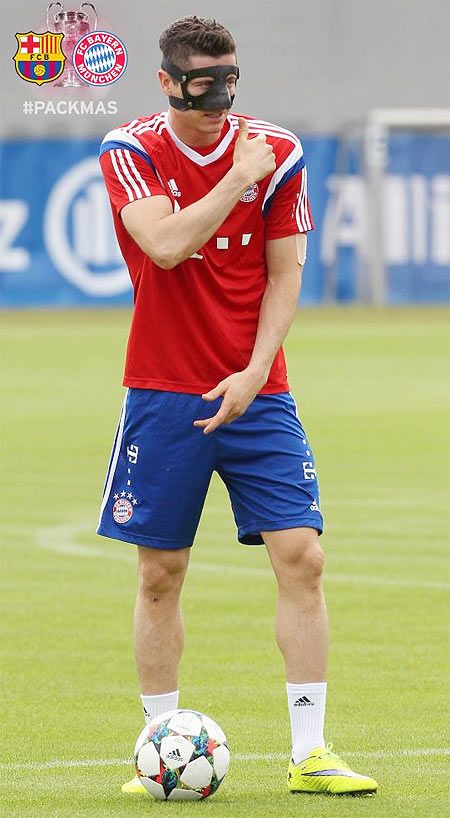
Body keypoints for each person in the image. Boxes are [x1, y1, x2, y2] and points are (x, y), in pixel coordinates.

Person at [97, 15, 378, 797]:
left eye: (229, 81)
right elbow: (165, 245)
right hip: (163, 389)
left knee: (305, 558)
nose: (218, 100)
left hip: (260, 390)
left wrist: (257, 370)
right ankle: (157, 744)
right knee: (161, 572)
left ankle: (312, 752)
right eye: (200, 84)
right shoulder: (129, 151)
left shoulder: (279, 150)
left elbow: (287, 271)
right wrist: (233, 179)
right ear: (165, 81)